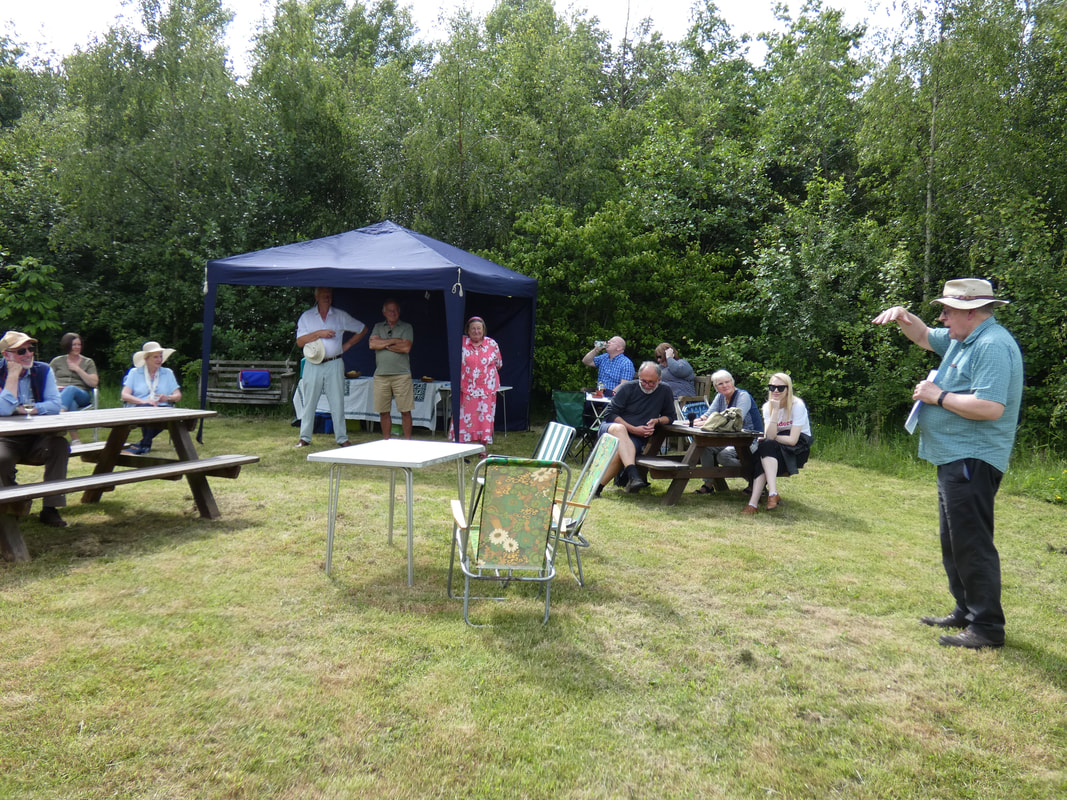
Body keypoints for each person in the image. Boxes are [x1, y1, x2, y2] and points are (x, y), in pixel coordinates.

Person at [872, 278, 1023, 650]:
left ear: (970, 312)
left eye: (947, 311)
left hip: (973, 457)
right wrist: (903, 316)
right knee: (954, 541)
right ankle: (966, 611)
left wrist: (938, 396)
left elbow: (991, 407)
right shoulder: (964, 339)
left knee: (972, 543)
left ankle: (987, 627)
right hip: (955, 457)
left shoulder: (991, 345)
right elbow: (924, 337)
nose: (942, 317)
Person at [0, 331, 69, 527]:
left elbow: (55, 404)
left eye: (31, 349)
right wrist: (13, 376)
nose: (29, 354)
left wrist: (29, 409)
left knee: (59, 445)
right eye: (21, 351)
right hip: (5, 438)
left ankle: (50, 508)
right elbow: (3, 409)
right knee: (0, 458)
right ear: (6, 355)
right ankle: (15, 502)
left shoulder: (43, 369)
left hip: (38, 436)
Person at [295, 287, 367, 448]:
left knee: (337, 401)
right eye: (323, 295)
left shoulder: (340, 315)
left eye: (329, 295)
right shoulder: (307, 317)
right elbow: (300, 342)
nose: (327, 297)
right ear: (316, 297)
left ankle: (342, 438)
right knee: (309, 401)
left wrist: (347, 345)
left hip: (334, 362)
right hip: (313, 363)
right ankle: (304, 437)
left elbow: (362, 329)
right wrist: (319, 333)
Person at [595, 361, 676, 494]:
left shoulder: (665, 390)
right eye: (643, 381)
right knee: (620, 429)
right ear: (639, 377)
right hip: (611, 429)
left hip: (635, 437)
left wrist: (657, 421)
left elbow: (670, 417)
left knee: (621, 451)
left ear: (659, 380)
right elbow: (610, 414)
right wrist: (633, 429)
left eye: (651, 382)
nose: (647, 385)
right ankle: (633, 474)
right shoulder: (627, 388)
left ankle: (596, 489)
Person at [741, 372, 811, 515]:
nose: (776, 391)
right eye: (772, 387)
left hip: (797, 449)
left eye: (780, 388)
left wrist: (773, 437)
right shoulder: (768, 406)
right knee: (765, 448)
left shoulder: (797, 405)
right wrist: (775, 411)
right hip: (775, 447)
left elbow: (792, 440)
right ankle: (770, 495)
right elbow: (770, 435)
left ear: (788, 389)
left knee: (764, 449)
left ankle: (754, 503)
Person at [693, 370, 764, 494]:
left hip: (750, 439)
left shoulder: (743, 396)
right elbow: (709, 415)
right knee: (705, 447)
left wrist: (707, 423)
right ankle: (708, 485)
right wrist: (696, 421)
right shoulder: (720, 397)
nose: (725, 385)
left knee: (723, 456)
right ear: (716, 387)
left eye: (727, 382)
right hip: (728, 438)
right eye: (720, 384)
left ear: (732, 382)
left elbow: (734, 418)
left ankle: (757, 478)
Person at [120, 341, 182, 455]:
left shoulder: (167, 373)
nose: (159, 359)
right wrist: (144, 401)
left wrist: (167, 398)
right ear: (146, 358)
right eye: (155, 357)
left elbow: (178, 396)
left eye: (160, 356)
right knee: (148, 408)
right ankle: (145, 445)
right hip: (140, 407)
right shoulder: (135, 373)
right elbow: (124, 395)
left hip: (161, 408)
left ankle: (143, 445)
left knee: (169, 416)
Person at [450, 316, 502, 447]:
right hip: (467, 388)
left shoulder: (492, 344)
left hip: (486, 389)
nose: (476, 331)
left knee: (484, 419)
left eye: (479, 328)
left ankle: (482, 446)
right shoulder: (461, 343)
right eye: (473, 329)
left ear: (483, 330)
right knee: (466, 418)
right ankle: (463, 445)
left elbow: (498, 364)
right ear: (467, 330)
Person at [368, 299, 414, 439]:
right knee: (383, 411)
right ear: (384, 312)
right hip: (381, 375)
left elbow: (406, 347)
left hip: (402, 375)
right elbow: (372, 345)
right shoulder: (377, 326)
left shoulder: (406, 327)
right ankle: (386, 441)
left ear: (399, 312)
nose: (393, 313)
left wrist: (383, 343)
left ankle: (408, 442)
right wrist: (394, 341)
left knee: (405, 411)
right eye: (390, 310)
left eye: (395, 310)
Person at [50, 332, 99, 413]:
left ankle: (59, 413)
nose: (77, 347)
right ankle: (70, 421)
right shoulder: (57, 361)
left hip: (81, 395)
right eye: (74, 345)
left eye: (79, 345)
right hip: (60, 393)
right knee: (72, 403)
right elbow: (47, 379)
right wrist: (56, 387)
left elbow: (94, 383)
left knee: (70, 388)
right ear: (67, 345)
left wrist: (78, 369)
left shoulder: (88, 362)